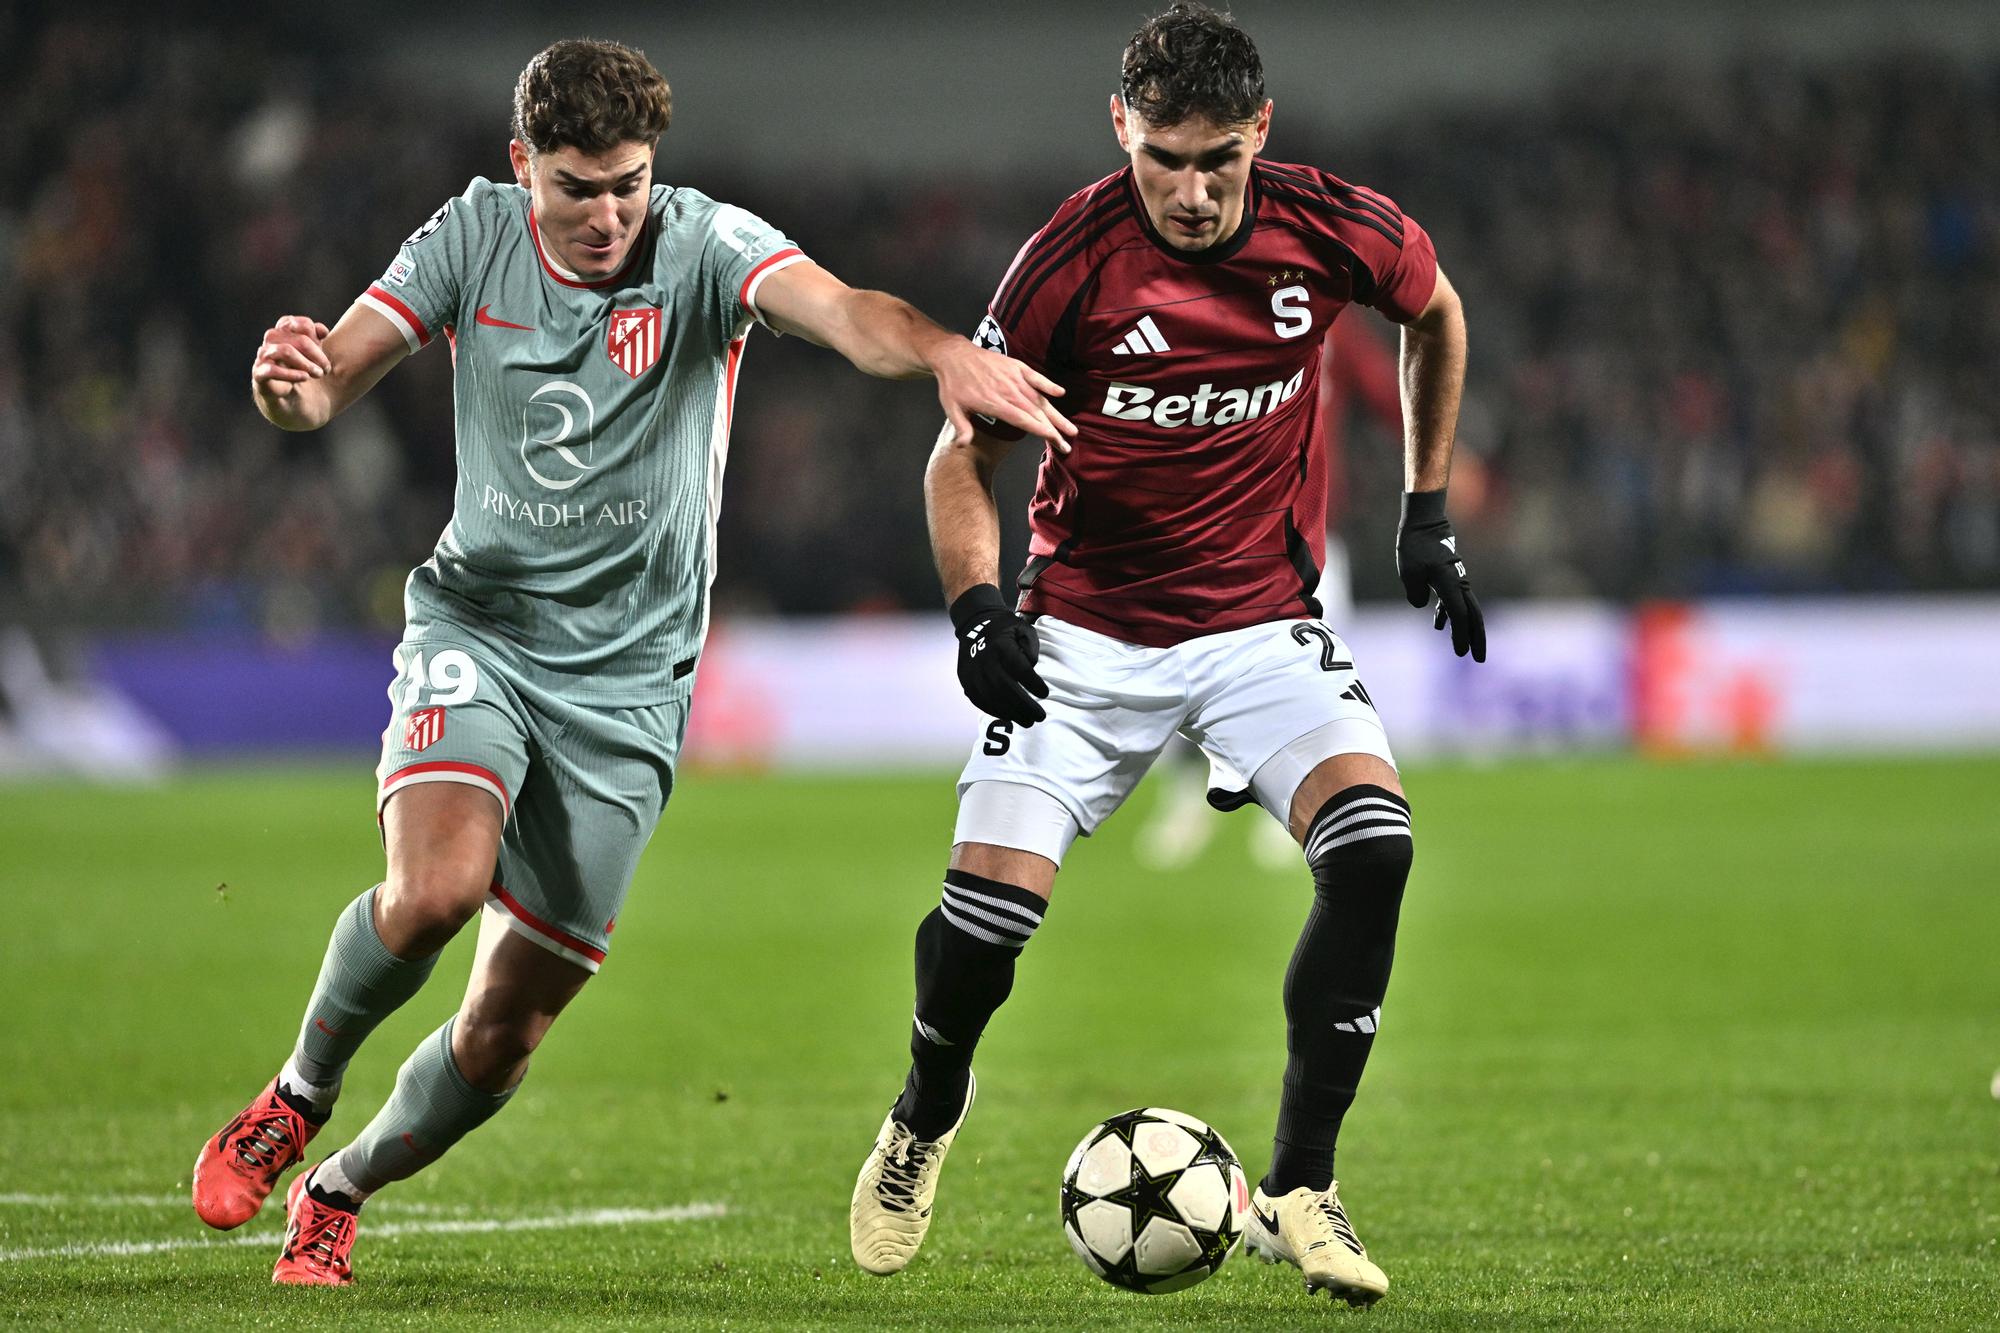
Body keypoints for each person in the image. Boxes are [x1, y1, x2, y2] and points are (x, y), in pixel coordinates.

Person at [190, 37, 1072, 1287]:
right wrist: (288, 389)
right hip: (481, 629)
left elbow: (843, 312)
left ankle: (341, 1187)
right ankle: (294, 1097)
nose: (606, 215)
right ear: (523, 168)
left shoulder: (701, 244)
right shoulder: (469, 237)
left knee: (504, 1032)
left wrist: (935, 350)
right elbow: (324, 383)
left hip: (629, 690)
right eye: (576, 186)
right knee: (436, 888)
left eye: (628, 184)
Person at [847, 3, 1483, 1308]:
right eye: (1163, 163)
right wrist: (979, 608)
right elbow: (961, 452)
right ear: (1121, 130)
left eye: (1217, 163)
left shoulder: (1336, 228)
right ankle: (925, 1108)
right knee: (985, 928)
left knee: (1374, 849)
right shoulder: (1067, 266)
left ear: (1260, 132)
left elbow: (1437, 313)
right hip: (1083, 638)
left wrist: (1427, 504)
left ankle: (1300, 1185)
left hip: (1260, 626)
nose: (1191, 194)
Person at [1135, 314, 1405, 871]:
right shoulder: (1224, 306)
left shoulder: (1338, 323)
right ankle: (1187, 803)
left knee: (1310, 683)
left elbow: (1389, 392)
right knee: (1189, 669)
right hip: (1222, 532)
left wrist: (1440, 458)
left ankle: (1289, 809)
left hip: (1312, 534)